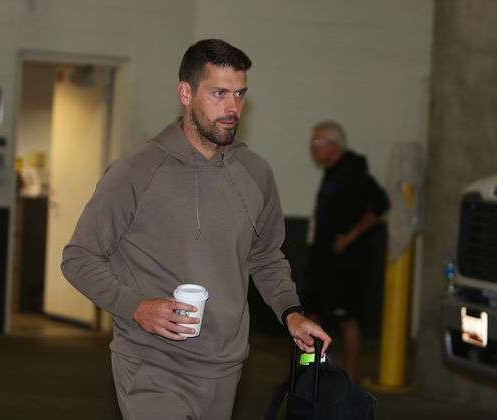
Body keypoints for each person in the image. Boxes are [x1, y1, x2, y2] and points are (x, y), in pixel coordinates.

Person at [61, 39, 331, 420]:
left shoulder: (255, 173)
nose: (232, 107)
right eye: (218, 93)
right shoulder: (135, 171)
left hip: (224, 367)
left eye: (239, 94)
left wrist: (292, 313)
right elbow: (79, 258)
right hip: (151, 363)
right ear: (185, 93)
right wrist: (135, 307)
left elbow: (266, 257)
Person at [304, 120, 389, 380]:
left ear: (334, 144)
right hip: (323, 258)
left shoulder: (353, 172)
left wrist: (350, 237)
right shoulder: (332, 172)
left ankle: (350, 378)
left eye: (317, 142)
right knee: (312, 312)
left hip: (346, 263)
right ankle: (312, 370)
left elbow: (380, 203)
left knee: (347, 317)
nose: (312, 148)